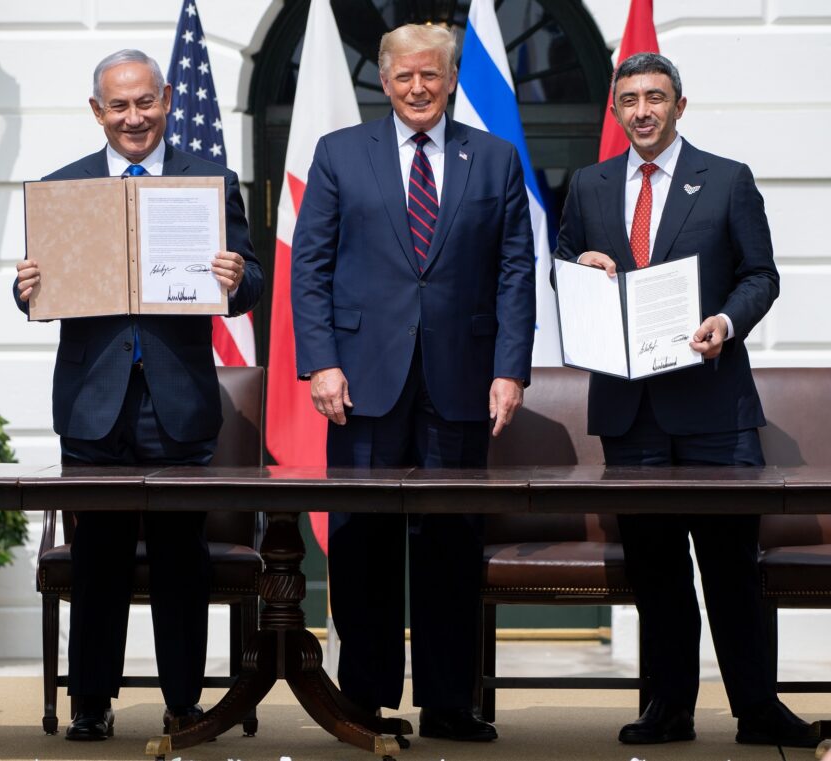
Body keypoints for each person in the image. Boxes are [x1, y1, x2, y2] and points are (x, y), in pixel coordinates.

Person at [555, 52, 819, 748]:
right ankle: (668, 708)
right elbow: (563, 269)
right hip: (630, 412)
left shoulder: (727, 179)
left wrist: (726, 322)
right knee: (657, 571)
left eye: (655, 97)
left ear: (679, 104)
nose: (642, 110)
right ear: (616, 109)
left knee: (732, 569)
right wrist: (580, 267)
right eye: (630, 99)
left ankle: (757, 711)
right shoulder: (588, 185)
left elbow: (761, 275)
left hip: (713, 409)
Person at [290, 23, 535, 742]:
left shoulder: (494, 157)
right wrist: (320, 361)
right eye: (405, 77)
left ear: (451, 79)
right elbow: (310, 266)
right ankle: (363, 700)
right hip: (361, 383)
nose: (418, 88)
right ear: (385, 80)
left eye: (431, 75)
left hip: (462, 381)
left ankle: (449, 702)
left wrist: (510, 368)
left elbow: (516, 270)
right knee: (362, 542)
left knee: (450, 542)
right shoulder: (340, 153)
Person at [13, 49, 263, 742]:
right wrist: (26, 290)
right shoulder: (62, 189)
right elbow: (37, 293)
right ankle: (91, 702)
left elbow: (250, 284)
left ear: (168, 99)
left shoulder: (209, 182)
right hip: (93, 402)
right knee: (98, 560)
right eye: (118, 106)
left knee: (183, 560)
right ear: (97, 111)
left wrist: (236, 276)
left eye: (145, 102)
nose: (134, 117)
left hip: (178, 400)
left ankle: (184, 702)